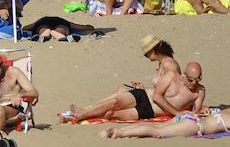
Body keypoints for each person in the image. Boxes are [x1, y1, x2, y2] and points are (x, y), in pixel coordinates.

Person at [61, 36, 192, 123]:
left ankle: (82, 112)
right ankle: (83, 112)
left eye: (146, 53)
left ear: (153, 50)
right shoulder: (163, 62)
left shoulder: (170, 65)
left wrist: (177, 112)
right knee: (119, 94)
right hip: (148, 97)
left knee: (115, 104)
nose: (146, 56)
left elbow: (173, 92)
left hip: (152, 103)